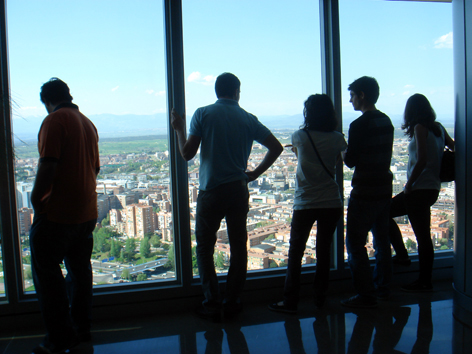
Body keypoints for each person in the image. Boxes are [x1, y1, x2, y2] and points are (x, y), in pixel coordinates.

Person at [171, 72, 283, 320]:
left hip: (211, 190)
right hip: (237, 189)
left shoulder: (203, 113)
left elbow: (187, 153)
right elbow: (276, 147)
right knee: (239, 247)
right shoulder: (248, 118)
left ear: (216, 91)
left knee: (204, 248)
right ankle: (232, 301)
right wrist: (253, 173)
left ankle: (211, 302)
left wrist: (179, 129)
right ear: (236, 92)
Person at [30, 78, 100, 354]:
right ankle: (81, 328)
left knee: (48, 278)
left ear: (47, 102)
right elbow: (94, 169)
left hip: (58, 214)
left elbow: (48, 166)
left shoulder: (54, 121)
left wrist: (37, 201)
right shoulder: (87, 123)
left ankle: (59, 338)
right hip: (86, 214)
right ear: (68, 95)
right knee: (80, 274)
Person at [268, 94, 346, 313]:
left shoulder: (299, 136)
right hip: (332, 201)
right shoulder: (338, 138)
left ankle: (290, 300)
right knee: (323, 251)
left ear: (308, 113)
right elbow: (337, 161)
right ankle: (320, 298)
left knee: (296, 252)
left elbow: (297, 153)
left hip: (305, 201)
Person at [389, 93, 454, 292]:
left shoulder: (419, 128)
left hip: (418, 189)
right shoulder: (439, 128)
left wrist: (409, 184)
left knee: (383, 213)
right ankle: (424, 279)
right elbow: (454, 148)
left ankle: (404, 258)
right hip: (432, 188)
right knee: (424, 236)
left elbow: (422, 159)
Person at [341, 76, 394, 308]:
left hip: (365, 191)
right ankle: (383, 287)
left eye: (352, 95)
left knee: (354, 243)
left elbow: (350, 161)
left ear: (362, 95)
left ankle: (365, 293)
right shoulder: (387, 121)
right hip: (384, 189)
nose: (350, 100)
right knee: (382, 241)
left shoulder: (359, 125)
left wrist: (342, 148)